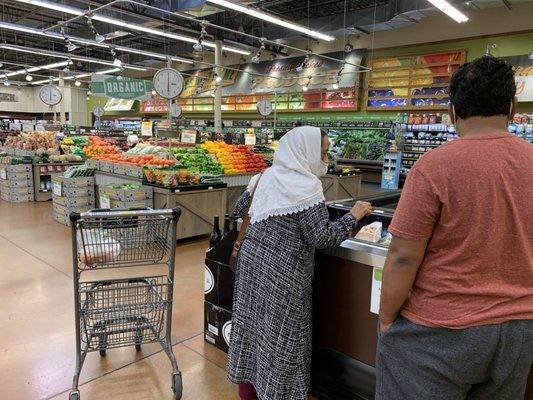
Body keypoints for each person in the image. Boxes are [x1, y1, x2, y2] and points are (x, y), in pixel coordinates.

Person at [376, 56, 533, 399]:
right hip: (518, 333)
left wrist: (387, 319)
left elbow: (403, 256)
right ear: (512, 107)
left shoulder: (434, 166)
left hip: (437, 332)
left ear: (452, 113)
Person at [227, 126, 372, 400]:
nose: (326, 161)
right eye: (324, 153)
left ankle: (248, 392)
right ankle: (279, 394)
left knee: (251, 328)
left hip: (251, 268)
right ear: (305, 153)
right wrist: (353, 216)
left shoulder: (264, 176)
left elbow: (237, 210)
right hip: (284, 276)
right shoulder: (306, 186)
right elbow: (321, 236)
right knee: (282, 338)